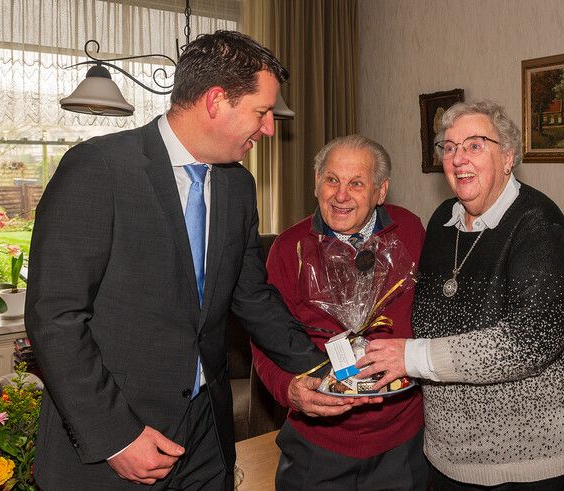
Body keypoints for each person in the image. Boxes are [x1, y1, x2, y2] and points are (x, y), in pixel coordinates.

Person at [25, 31, 336, 490]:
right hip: (116, 444)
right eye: (262, 112)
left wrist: (325, 371)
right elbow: (55, 318)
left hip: (206, 439)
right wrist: (117, 437)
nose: (270, 128)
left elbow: (251, 296)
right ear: (215, 101)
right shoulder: (99, 168)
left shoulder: (237, 186)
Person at [356, 101, 564, 490]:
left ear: (507, 157)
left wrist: (410, 356)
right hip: (448, 456)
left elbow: (529, 342)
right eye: (449, 147)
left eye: (474, 145)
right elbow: (429, 316)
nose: (458, 158)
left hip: (535, 463)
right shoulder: (442, 221)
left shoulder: (540, 226)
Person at [251, 134, 428, 490]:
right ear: (317, 183)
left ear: (381, 191)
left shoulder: (410, 231)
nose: (341, 194)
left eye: (356, 183)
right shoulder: (289, 247)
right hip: (317, 444)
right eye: (332, 179)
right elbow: (263, 339)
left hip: (402, 441)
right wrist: (289, 389)